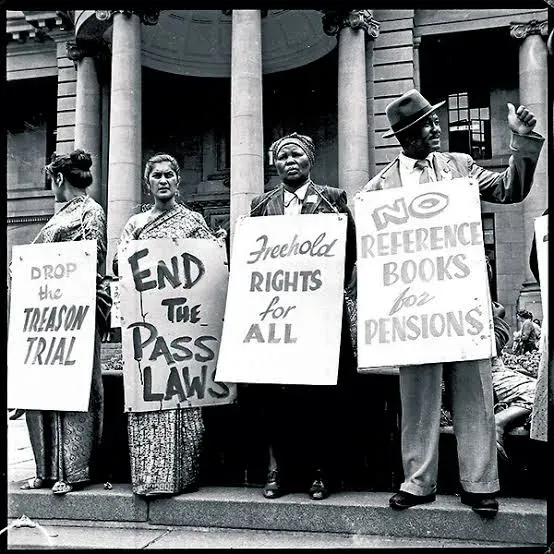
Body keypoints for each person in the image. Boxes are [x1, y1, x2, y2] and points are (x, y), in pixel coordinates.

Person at [362, 89, 544, 517]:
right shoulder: (377, 188)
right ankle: (417, 482)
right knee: (418, 396)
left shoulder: (460, 166)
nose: (437, 127)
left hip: (461, 304)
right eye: (427, 124)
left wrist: (521, 143)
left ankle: (479, 483)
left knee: (475, 393)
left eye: (435, 120)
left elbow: (509, 189)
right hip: (413, 309)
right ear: (407, 136)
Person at [248, 132, 357, 501]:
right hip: (278, 318)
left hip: (320, 315)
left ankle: (321, 473)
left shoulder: (333, 199)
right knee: (278, 396)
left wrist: (321, 290)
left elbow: (349, 253)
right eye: (282, 157)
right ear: (274, 164)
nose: (289, 161)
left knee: (321, 398)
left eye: (296, 154)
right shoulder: (261, 205)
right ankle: (278, 470)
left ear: (310, 158)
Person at [114, 153, 221, 497]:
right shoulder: (135, 225)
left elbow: (210, 269)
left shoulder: (193, 221)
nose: (163, 180)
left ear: (178, 181)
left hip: (184, 332)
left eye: (168, 175)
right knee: (149, 399)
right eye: (156, 175)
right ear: (148, 182)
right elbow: (123, 267)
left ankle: (184, 477)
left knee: (183, 402)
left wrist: (216, 247)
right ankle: (149, 479)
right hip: (150, 334)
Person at [20, 149, 108, 495]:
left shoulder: (90, 211)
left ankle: (73, 470)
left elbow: (90, 257)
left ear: (59, 179)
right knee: (42, 389)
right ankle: (45, 469)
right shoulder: (65, 213)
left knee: (76, 389)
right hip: (46, 314)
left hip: (76, 311)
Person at [490, 303, 536, 462]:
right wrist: (497, 319)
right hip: (483, 377)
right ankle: (498, 423)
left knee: (536, 384)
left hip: (492, 372)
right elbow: (489, 347)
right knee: (539, 392)